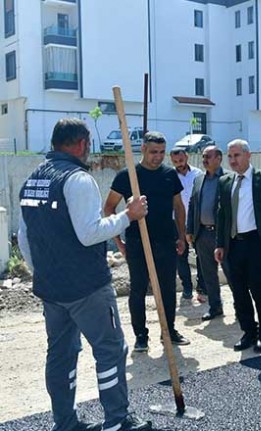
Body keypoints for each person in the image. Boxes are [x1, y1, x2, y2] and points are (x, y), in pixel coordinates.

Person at [17, 118, 152, 431]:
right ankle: (117, 421)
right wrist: (128, 217)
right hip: (87, 287)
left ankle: (64, 423)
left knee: (61, 355)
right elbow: (90, 233)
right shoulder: (77, 179)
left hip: (52, 290)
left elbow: (24, 238)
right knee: (110, 350)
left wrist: (43, 271)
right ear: (80, 144)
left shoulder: (32, 179)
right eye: (88, 144)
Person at [104, 131, 190, 353]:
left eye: (162, 152)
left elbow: (178, 207)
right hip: (137, 242)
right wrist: (120, 243)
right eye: (153, 152)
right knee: (138, 289)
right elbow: (108, 208)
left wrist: (181, 236)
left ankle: (168, 331)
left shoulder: (170, 174)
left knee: (168, 289)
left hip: (166, 241)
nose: (158, 157)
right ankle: (141, 336)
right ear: (142, 149)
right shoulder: (127, 176)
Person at [215, 139, 261, 353]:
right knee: (239, 293)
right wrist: (220, 244)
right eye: (230, 156)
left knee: (259, 290)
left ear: (248, 155)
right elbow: (222, 215)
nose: (233, 160)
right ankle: (248, 332)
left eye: (237, 155)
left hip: (255, 243)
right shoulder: (225, 182)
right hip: (233, 245)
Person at [186, 145, 228, 321]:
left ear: (219, 158)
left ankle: (242, 306)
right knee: (208, 274)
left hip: (223, 235)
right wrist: (190, 230)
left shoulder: (228, 179)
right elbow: (192, 204)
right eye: (203, 157)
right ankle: (215, 306)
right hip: (203, 234)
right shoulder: (199, 179)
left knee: (231, 272)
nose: (204, 160)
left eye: (208, 157)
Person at [170, 147, 204, 301]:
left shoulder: (198, 174)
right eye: (175, 161)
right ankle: (187, 288)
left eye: (181, 160)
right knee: (180, 256)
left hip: (197, 221)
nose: (179, 163)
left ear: (187, 157)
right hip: (177, 222)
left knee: (202, 255)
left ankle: (202, 287)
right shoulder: (169, 176)